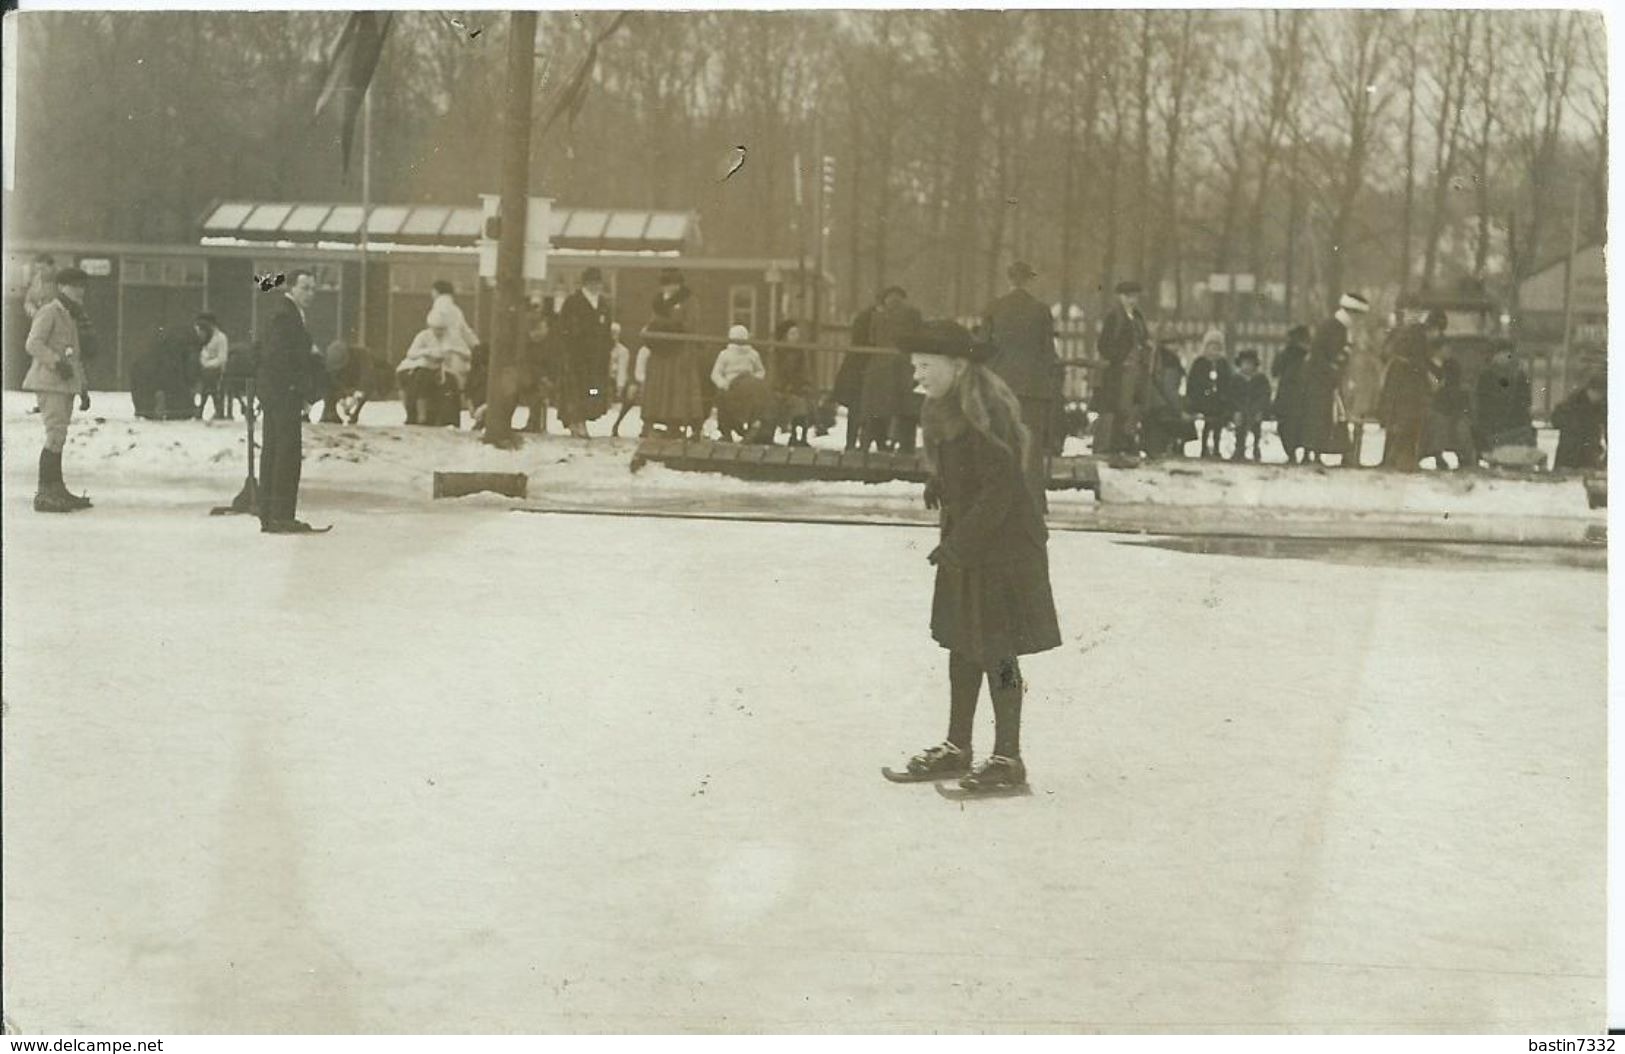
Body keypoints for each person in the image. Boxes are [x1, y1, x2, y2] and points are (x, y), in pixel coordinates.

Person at [884, 320, 1061, 796]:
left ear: (958, 366)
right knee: (962, 642)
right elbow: (966, 469)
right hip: (972, 540)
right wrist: (940, 481)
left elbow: (1001, 487)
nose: (917, 374)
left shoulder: (986, 412)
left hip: (1002, 547)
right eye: (915, 366)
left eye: (926, 366)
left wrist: (959, 545)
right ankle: (957, 745)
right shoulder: (943, 407)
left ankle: (1008, 757)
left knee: (998, 649)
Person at [982, 260, 1062, 509]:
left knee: (998, 442)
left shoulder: (993, 307)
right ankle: (1033, 500)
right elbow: (1048, 352)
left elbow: (983, 347)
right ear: (1029, 280)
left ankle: (995, 499)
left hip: (1000, 385)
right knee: (1031, 445)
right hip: (1031, 387)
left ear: (1009, 280)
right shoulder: (1040, 310)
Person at [256, 269, 325, 534]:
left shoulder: (285, 313)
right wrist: (297, 383)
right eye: (305, 287)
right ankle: (281, 516)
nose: (310, 293)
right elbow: (279, 356)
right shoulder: (287, 316)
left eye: (313, 289)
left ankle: (271, 515)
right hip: (284, 391)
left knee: (274, 449)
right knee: (286, 452)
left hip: (275, 390)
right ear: (291, 289)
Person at [24, 266, 94, 513]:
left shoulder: (70, 314)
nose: (80, 290)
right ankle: (44, 494)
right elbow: (32, 343)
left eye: (82, 286)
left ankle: (57, 489)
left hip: (64, 385)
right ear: (62, 287)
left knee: (59, 436)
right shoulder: (50, 311)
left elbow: (75, 357)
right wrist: (55, 362)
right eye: (76, 285)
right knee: (54, 435)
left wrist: (82, 387)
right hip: (49, 382)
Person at [1301, 292, 1370, 465]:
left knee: (1331, 416)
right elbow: (1321, 355)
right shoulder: (1334, 327)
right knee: (1320, 416)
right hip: (1320, 379)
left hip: (1328, 378)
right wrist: (1332, 371)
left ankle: (1333, 452)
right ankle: (1314, 453)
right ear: (1353, 312)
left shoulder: (1340, 327)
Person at [1376, 309, 1445, 472]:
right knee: (1407, 419)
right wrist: (1430, 376)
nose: (1437, 335)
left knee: (1400, 420)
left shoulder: (1415, 332)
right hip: (1404, 381)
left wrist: (1434, 373)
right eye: (1437, 331)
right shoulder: (1418, 335)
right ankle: (1402, 460)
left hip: (1402, 379)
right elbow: (1418, 361)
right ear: (1432, 327)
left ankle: (1392, 458)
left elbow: (1423, 361)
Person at [640, 267, 704, 438]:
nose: (669, 288)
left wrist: (671, 328)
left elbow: (692, 324)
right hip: (661, 351)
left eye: (673, 284)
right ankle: (656, 419)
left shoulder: (689, 301)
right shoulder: (658, 301)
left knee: (678, 387)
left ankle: (679, 422)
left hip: (680, 351)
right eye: (666, 285)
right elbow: (652, 321)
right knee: (659, 386)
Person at [859, 286, 923, 452]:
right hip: (905, 365)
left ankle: (870, 444)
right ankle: (906, 447)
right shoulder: (914, 315)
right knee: (906, 409)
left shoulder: (878, 317)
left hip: (880, 366)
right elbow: (919, 337)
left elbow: (872, 339)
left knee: (876, 408)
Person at [557, 268, 614, 439]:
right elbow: (565, 329)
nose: (596, 286)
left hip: (597, 358)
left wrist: (607, 347)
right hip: (577, 357)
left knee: (593, 390)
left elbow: (607, 329)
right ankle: (575, 421)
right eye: (592, 283)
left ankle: (587, 416)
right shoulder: (573, 302)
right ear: (585, 284)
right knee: (575, 390)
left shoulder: (603, 304)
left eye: (598, 283)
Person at [1095, 280, 1149, 456]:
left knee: (1134, 405)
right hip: (1120, 372)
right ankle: (1115, 443)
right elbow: (1103, 344)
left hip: (1137, 369)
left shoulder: (1138, 317)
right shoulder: (1114, 317)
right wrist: (1119, 359)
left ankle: (1127, 440)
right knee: (1119, 407)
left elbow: (1144, 339)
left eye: (1135, 297)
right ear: (1120, 297)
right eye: (1128, 297)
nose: (1132, 300)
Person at [711, 324, 775, 443]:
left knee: (759, 398)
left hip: (749, 385)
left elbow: (761, 371)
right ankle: (727, 431)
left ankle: (755, 427)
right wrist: (724, 383)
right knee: (724, 399)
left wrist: (756, 379)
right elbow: (716, 374)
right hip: (732, 385)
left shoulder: (752, 354)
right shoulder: (725, 354)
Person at [835, 292, 883, 450]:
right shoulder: (874, 318)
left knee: (857, 407)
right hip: (866, 366)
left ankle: (854, 442)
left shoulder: (864, 317)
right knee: (865, 406)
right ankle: (862, 442)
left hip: (858, 366)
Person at [425, 282, 477, 427]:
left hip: (445, 351)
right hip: (460, 352)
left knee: (445, 386)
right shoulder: (456, 310)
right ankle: (454, 420)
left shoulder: (438, 307)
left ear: (436, 291)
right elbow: (466, 331)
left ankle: (444, 420)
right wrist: (477, 347)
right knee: (456, 387)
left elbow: (435, 323)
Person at [1474, 340, 1535, 455]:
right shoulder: (1488, 375)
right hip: (1505, 425)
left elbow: (1525, 401)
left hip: (1502, 425)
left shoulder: (1518, 376)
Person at [1138, 340, 1191, 459]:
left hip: (1153, 408)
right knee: (1160, 449)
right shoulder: (1170, 362)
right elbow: (1170, 390)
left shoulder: (1155, 359)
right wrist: (1180, 412)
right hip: (1164, 411)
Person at [1422, 356, 1475, 470]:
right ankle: (1438, 456)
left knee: (1462, 426)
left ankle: (1463, 456)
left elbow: (1468, 411)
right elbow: (1437, 409)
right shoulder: (1442, 391)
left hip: (1456, 425)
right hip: (1445, 424)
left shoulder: (1463, 391)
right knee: (1439, 422)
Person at [1185, 328, 1231, 458]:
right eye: (1212, 347)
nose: (1214, 351)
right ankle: (1204, 447)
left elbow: (1227, 381)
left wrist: (1225, 395)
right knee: (1207, 423)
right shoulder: (1200, 363)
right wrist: (1195, 396)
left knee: (1218, 423)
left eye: (1218, 348)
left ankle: (1216, 447)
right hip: (1203, 399)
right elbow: (1193, 382)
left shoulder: (1223, 364)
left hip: (1219, 399)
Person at [770, 319, 816, 446]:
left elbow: (804, 372)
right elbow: (775, 373)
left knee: (805, 401)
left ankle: (802, 435)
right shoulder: (778, 352)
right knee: (795, 402)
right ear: (785, 335)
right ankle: (793, 434)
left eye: (797, 334)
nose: (796, 337)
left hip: (798, 387)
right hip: (782, 388)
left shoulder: (800, 352)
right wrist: (782, 387)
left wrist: (805, 385)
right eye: (792, 334)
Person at [1272, 324, 1312, 464]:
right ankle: (1296, 453)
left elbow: (1274, 371)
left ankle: (1298, 453)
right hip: (1291, 394)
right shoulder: (1286, 354)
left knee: (1299, 425)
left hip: (1299, 395)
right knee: (1291, 425)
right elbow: (1275, 371)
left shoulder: (1308, 355)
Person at [1552, 373, 1607, 471]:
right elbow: (1556, 421)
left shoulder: (1601, 405)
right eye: (1599, 394)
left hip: (1589, 456)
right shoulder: (1572, 403)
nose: (1600, 397)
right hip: (1569, 457)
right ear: (1590, 390)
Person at [1227, 349, 1272, 462]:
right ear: (1240, 364)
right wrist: (1236, 409)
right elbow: (1231, 396)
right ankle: (1239, 448)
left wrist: (1259, 408)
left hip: (1255, 409)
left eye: (1250, 363)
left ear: (1255, 365)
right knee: (1240, 424)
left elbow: (1265, 395)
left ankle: (1256, 447)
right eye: (1244, 363)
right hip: (1239, 409)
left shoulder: (1261, 379)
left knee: (1256, 424)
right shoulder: (1236, 379)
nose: (1247, 366)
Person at [196, 313, 231, 420]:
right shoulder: (204, 336)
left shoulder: (221, 338)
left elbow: (222, 358)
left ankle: (205, 409)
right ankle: (207, 409)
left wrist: (207, 365)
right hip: (205, 369)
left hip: (217, 370)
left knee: (209, 379)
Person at [609, 322, 641, 438]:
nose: (613, 336)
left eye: (615, 334)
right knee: (592, 392)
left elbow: (622, 372)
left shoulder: (623, 351)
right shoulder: (600, 350)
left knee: (631, 394)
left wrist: (619, 388)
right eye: (611, 333)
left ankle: (617, 423)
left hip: (616, 385)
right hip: (597, 388)